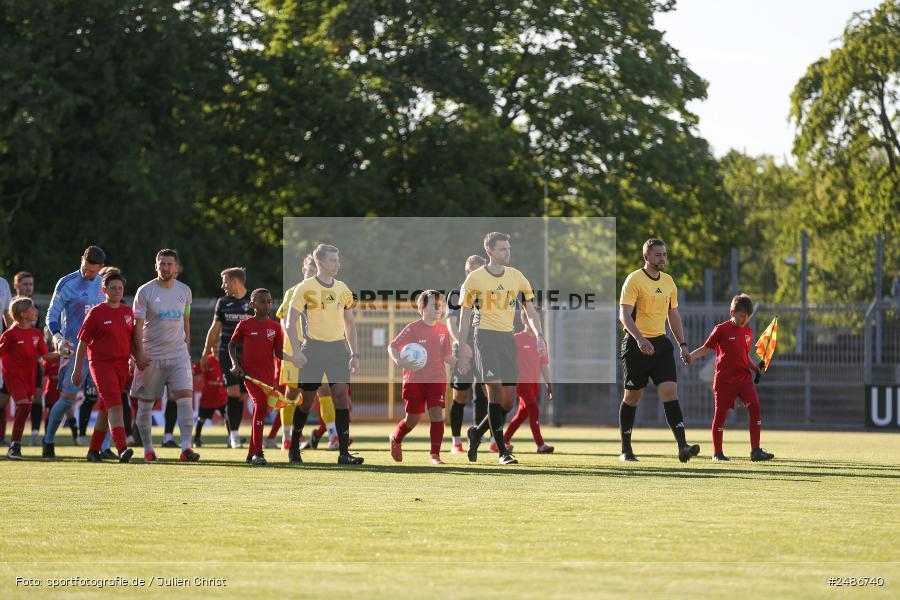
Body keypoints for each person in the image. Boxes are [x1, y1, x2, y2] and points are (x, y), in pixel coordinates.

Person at [456, 232, 546, 465]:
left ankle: (476, 433)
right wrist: (462, 344)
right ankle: (502, 452)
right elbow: (464, 315)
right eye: (502, 249)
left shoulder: (517, 276)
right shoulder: (474, 279)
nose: (507, 252)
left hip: (507, 339)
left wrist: (539, 335)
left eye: (508, 248)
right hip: (484, 339)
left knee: (508, 401)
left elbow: (530, 310)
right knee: (494, 393)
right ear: (490, 252)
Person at [618, 238, 700, 463]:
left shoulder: (669, 282)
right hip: (636, 346)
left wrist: (683, 345)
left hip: (661, 345)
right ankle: (626, 449)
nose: (662, 258)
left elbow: (673, 315)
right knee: (633, 397)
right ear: (646, 257)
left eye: (664, 254)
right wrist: (639, 339)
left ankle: (683, 446)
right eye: (657, 255)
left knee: (670, 392)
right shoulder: (633, 280)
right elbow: (624, 315)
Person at [284, 243, 363, 465]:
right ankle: (294, 449)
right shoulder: (304, 288)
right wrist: (297, 351)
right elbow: (290, 322)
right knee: (307, 401)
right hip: (313, 350)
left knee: (341, 395)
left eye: (338, 260)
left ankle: (344, 453)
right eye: (332, 260)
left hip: (338, 350)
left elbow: (350, 323)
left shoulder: (342, 288)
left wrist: (354, 354)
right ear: (319, 263)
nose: (337, 264)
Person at [131, 249, 199, 463]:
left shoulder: (185, 291)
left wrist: (187, 350)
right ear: (156, 266)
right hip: (151, 356)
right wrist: (138, 353)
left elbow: (186, 321)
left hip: (178, 354)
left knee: (185, 398)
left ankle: (186, 448)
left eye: (170, 264)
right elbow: (137, 326)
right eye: (162, 264)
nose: (166, 267)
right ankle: (148, 449)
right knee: (146, 404)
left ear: (177, 267)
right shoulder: (145, 291)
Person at [688, 294, 774, 461]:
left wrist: (756, 369)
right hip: (724, 379)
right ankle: (717, 453)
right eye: (742, 315)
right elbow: (706, 348)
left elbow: (744, 356)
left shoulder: (748, 332)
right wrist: (690, 356)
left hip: (744, 378)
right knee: (720, 414)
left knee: (755, 407)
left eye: (748, 316)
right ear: (732, 312)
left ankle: (756, 451)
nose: (745, 319)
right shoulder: (721, 329)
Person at [42, 246, 106, 459]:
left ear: (101, 268)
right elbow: (52, 313)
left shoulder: (103, 284)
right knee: (68, 399)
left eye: (93, 272)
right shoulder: (66, 282)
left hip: (99, 351)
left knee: (108, 398)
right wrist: (58, 337)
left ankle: (104, 447)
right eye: (86, 269)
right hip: (73, 348)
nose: (88, 274)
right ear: (82, 260)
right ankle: (48, 440)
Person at [70, 269, 135, 463]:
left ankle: (93, 450)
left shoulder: (127, 312)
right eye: (113, 288)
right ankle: (122, 447)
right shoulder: (96, 313)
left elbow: (130, 340)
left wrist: (137, 357)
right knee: (115, 404)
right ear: (104, 289)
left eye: (120, 288)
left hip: (122, 364)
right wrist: (77, 369)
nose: (117, 291)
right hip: (101, 365)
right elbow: (82, 342)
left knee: (107, 408)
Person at [388, 290, 456, 465]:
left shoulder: (443, 330)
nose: (438, 308)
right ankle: (396, 438)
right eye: (434, 305)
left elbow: (447, 356)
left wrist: (462, 361)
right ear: (422, 308)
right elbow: (393, 346)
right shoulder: (413, 328)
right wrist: (398, 360)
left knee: (436, 414)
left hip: (436, 378)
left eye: (440, 305)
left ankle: (435, 455)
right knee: (413, 418)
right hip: (414, 381)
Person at [228, 288, 285, 466]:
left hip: (267, 378)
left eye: (269, 301)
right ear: (252, 305)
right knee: (260, 406)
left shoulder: (275, 327)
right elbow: (231, 345)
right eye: (262, 301)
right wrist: (235, 364)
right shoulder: (245, 325)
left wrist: (296, 356)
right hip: (250, 377)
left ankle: (251, 452)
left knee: (261, 411)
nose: (267, 304)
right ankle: (258, 453)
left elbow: (279, 353)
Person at [201, 267, 253, 449]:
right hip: (227, 353)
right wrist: (206, 351)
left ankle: (235, 434)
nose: (222, 286)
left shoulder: (254, 302)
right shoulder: (223, 302)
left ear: (235, 282)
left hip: (249, 355)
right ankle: (234, 436)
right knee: (233, 392)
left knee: (241, 396)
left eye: (225, 281)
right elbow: (215, 329)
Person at [1, 297, 59, 459]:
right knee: (25, 407)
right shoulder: (10, 334)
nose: (36, 311)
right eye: (33, 308)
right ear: (23, 313)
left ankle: (14, 446)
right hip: (13, 377)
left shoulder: (36, 333)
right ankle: (14, 446)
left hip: (30, 377)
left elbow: (46, 355)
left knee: (24, 408)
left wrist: (63, 353)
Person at [446, 255, 488, 455]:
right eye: (475, 271)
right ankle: (456, 442)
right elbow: (451, 324)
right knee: (460, 395)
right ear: (467, 272)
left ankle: (478, 439)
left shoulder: (487, 294)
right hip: (461, 348)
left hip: (483, 348)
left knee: (483, 394)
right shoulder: (456, 294)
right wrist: (462, 347)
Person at [502, 310, 554, 453]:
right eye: (531, 317)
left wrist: (549, 384)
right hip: (521, 383)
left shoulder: (541, 342)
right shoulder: (516, 339)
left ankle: (503, 441)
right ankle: (540, 445)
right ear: (524, 319)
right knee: (534, 409)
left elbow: (544, 365)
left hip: (534, 384)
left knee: (521, 415)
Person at [12, 272, 46, 446]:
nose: (28, 288)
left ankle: (34, 433)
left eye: (31, 285)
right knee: (4, 399)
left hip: (32, 362)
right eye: (25, 284)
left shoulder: (36, 310)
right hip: (12, 365)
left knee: (38, 396)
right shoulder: (9, 308)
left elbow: (36, 335)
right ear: (16, 285)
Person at [192, 352, 228, 447]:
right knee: (202, 419)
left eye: (217, 345)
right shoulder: (206, 360)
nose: (216, 347)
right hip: (208, 395)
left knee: (228, 416)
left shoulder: (225, 358)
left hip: (221, 395)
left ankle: (232, 439)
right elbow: (194, 371)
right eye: (214, 345)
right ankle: (196, 439)